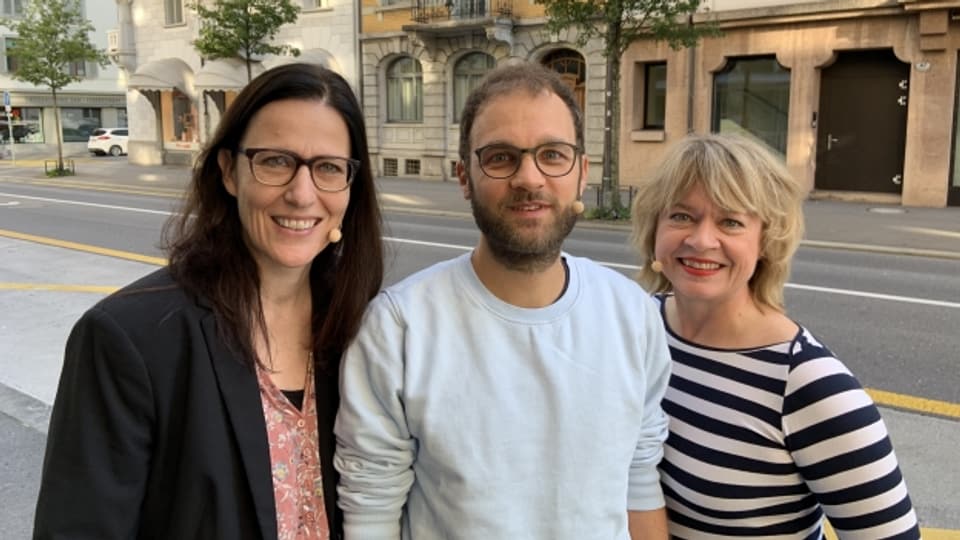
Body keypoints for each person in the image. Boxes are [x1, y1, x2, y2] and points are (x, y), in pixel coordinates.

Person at [33, 63, 383, 540]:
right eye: (275, 161)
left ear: (350, 186)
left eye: (328, 168)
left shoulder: (364, 327)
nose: (303, 194)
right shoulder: (131, 339)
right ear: (229, 172)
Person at [334, 62, 672, 540]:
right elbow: (372, 511)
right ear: (464, 177)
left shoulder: (631, 315)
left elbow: (639, 480)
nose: (529, 178)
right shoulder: (399, 328)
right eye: (500, 157)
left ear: (581, 174)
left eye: (552, 155)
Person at [630, 133, 921, 539]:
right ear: (654, 227)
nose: (701, 240)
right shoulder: (637, 327)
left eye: (730, 222)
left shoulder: (810, 387)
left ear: (766, 241)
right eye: (681, 216)